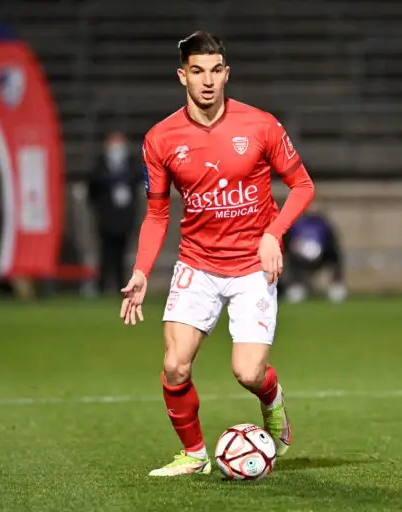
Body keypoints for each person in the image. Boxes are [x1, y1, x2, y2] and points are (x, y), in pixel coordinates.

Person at [119, 31, 315, 477]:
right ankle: (194, 455)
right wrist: (142, 270)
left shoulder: (261, 125)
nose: (207, 81)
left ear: (227, 73)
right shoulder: (160, 139)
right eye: (197, 72)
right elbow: (156, 214)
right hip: (198, 264)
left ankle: (272, 399)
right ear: (182, 76)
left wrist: (273, 234)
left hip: (252, 266)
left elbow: (303, 186)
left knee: (248, 373)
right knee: (174, 365)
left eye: (215, 71)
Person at [87, 130, 142, 294]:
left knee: (122, 253)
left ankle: (120, 284)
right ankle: (102, 286)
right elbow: (93, 190)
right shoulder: (100, 165)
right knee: (105, 252)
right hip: (106, 217)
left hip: (125, 218)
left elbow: (137, 181)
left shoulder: (131, 165)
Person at [282, 201, 346, 303]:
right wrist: (296, 246)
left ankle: (336, 285)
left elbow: (332, 241)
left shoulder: (324, 224)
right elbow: (288, 241)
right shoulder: (297, 223)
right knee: (291, 259)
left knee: (336, 255)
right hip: (300, 257)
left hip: (321, 256)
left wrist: (322, 248)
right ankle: (296, 286)